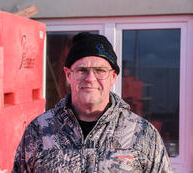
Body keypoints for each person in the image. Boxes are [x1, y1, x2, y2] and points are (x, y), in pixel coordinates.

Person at [12, 32, 173, 173]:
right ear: (68, 75)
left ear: (113, 77)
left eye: (100, 71)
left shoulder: (142, 133)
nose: (90, 78)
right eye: (82, 70)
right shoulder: (39, 131)